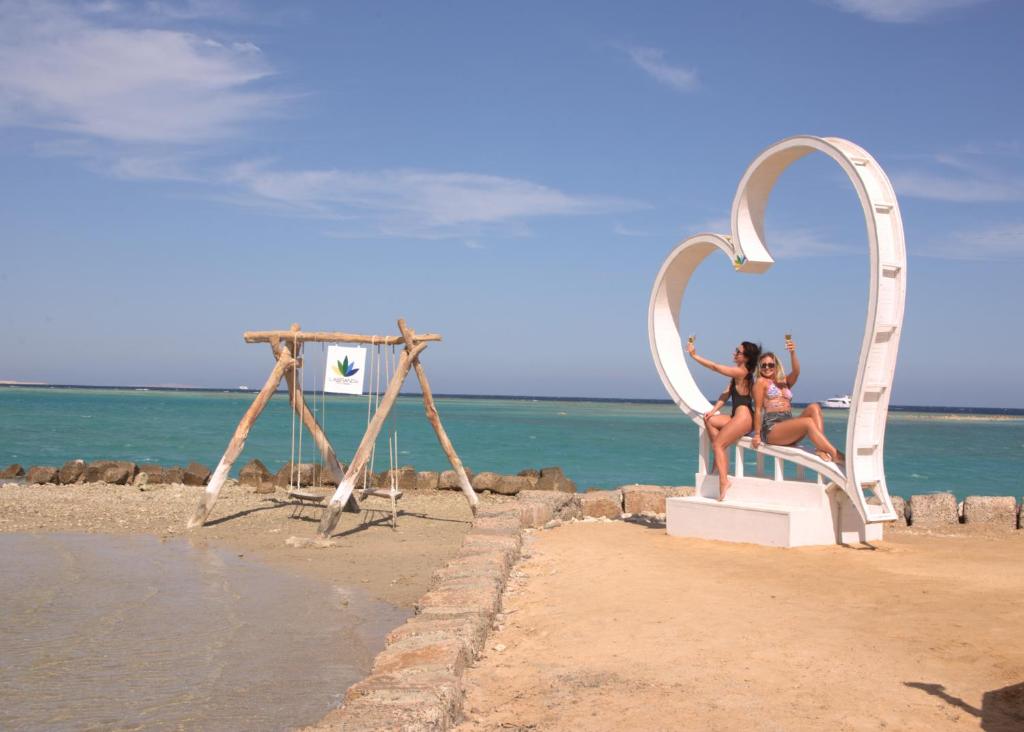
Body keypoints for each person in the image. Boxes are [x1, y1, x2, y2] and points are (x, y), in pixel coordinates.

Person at [686, 339, 761, 500]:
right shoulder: (737, 375)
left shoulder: (741, 372)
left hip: (744, 417)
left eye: (738, 352)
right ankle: (719, 456)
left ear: (746, 357)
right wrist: (713, 410)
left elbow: (715, 367)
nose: (734, 353)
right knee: (709, 420)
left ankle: (724, 481)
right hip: (736, 417)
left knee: (718, 444)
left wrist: (694, 356)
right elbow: (726, 394)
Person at [751, 339, 844, 463]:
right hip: (772, 429)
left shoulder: (784, 382)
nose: (767, 368)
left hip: (788, 426)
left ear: (776, 366)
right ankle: (835, 454)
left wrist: (792, 352)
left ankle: (820, 449)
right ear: (760, 368)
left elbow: (796, 371)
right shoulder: (760, 382)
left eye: (770, 365)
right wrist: (757, 435)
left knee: (814, 407)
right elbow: (758, 409)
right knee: (808, 422)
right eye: (764, 365)